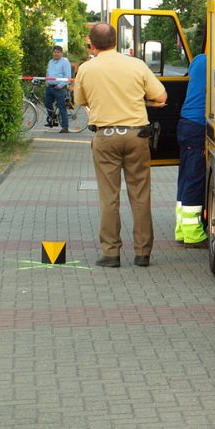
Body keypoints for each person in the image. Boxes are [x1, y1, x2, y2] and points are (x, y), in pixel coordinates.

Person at [73, 23, 168, 268]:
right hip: (137, 136)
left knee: (109, 196)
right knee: (140, 195)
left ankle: (111, 253)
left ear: (91, 45)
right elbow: (161, 97)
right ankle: (143, 253)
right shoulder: (136, 65)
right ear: (116, 41)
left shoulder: (86, 68)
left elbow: (80, 101)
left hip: (105, 137)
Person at [175, 50, 209, 247]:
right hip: (198, 125)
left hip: (187, 123)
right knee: (195, 179)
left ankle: (181, 229)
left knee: (186, 177)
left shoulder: (198, 60)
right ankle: (193, 234)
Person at [45, 45, 73, 132]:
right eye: (54, 52)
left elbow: (68, 76)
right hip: (50, 87)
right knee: (47, 104)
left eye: (58, 52)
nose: (56, 54)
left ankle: (65, 127)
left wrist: (60, 85)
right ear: (52, 53)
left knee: (62, 107)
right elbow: (48, 73)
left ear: (61, 53)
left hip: (59, 88)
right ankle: (52, 119)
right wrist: (46, 82)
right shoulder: (50, 62)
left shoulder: (65, 62)